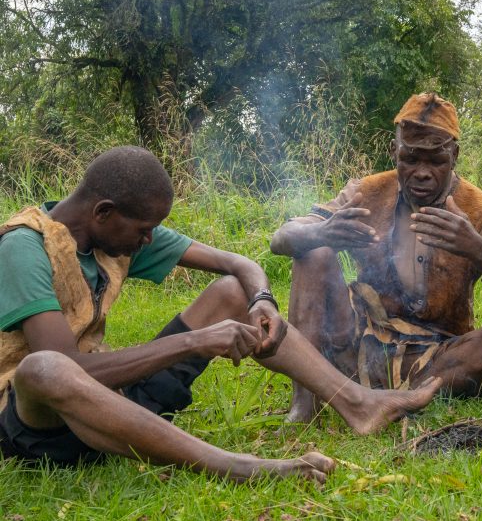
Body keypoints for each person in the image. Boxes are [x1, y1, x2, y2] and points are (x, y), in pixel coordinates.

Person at [0, 147, 440, 483]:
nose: (150, 240)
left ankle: (357, 404)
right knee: (44, 368)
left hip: (111, 404)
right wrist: (194, 341)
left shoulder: (111, 233)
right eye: (143, 231)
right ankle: (240, 467)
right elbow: (67, 367)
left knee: (233, 292)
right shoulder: (24, 247)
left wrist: (261, 300)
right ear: (103, 213)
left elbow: (240, 266)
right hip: (39, 426)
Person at [271, 93, 482, 420]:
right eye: (411, 158)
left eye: (436, 161)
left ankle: (390, 395)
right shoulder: (367, 191)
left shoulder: (477, 207)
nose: (422, 172)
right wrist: (320, 233)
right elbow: (281, 238)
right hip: (358, 344)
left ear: (454, 156)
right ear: (395, 152)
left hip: (436, 356)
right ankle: (304, 404)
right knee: (312, 251)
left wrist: (475, 247)